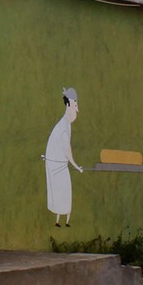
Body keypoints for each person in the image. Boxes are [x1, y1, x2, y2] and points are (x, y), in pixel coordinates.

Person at [45, 88, 83, 227]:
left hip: (57, 163)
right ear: (68, 104)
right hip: (56, 165)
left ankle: (64, 221)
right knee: (63, 192)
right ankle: (60, 221)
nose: (77, 110)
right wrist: (76, 166)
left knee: (63, 192)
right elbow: (67, 150)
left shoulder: (66, 124)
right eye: (75, 105)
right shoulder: (63, 126)